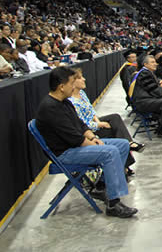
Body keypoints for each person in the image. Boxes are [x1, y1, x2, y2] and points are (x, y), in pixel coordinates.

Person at [35, 67, 137, 218]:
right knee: (110, 151)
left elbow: (80, 125)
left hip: (75, 145)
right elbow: (74, 138)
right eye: (71, 83)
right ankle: (114, 203)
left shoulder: (64, 102)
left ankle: (101, 186)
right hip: (65, 154)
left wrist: (92, 136)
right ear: (61, 87)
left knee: (122, 144)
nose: (73, 86)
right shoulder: (50, 108)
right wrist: (96, 144)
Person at [68, 68, 144, 176]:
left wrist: (98, 120)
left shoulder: (82, 93)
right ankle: (125, 164)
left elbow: (91, 110)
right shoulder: (71, 102)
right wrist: (99, 124)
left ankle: (129, 144)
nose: (84, 79)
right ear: (72, 82)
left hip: (93, 122)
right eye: (80, 78)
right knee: (115, 134)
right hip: (87, 131)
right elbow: (81, 124)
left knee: (115, 118)